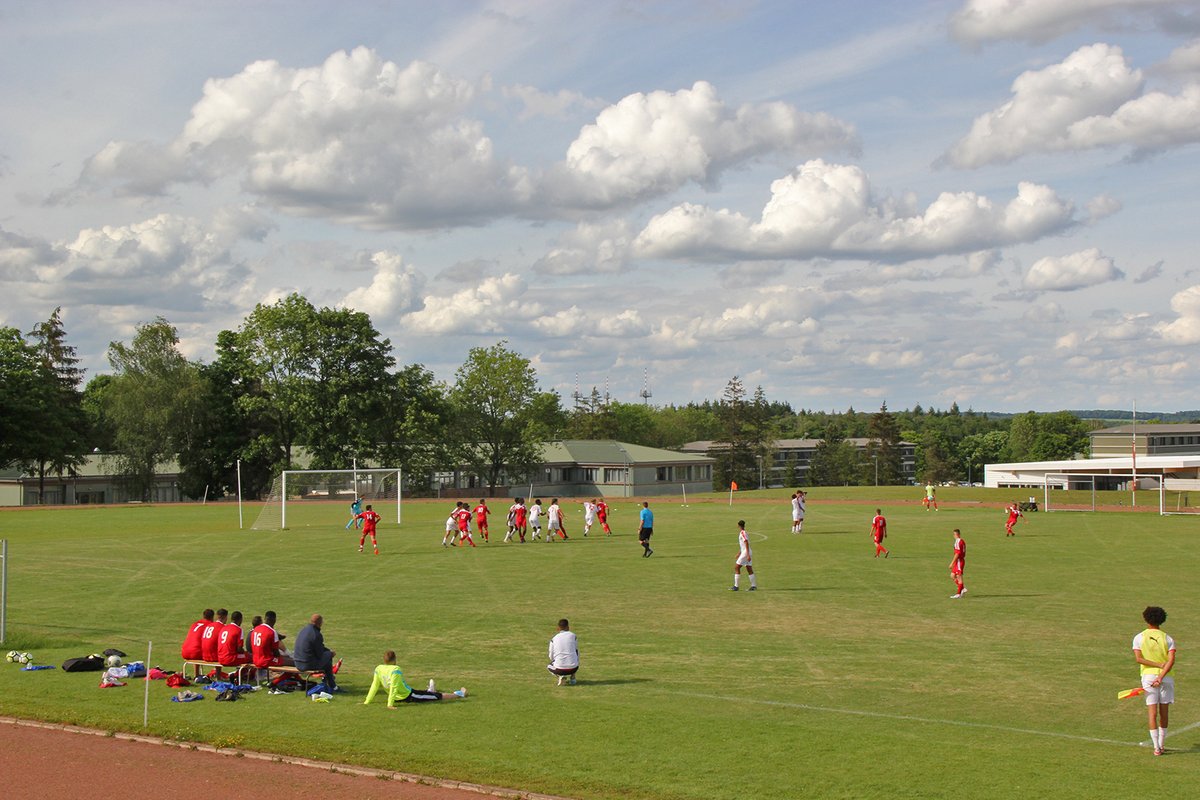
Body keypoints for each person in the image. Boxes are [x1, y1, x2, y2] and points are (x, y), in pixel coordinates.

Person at [1132, 606, 1177, 756]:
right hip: (1166, 678)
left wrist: (1156, 671)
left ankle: (1156, 748)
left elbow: (1139, 659)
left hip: (1148, 678)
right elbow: (1170, 662)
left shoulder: (1139, 637)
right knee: (1164, 713)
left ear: (1146, 619)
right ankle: (1162, 745)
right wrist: (1161, 676)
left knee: (1152, 713)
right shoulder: (1168, 638)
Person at [364, 650, 466, 706]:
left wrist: (367, 701)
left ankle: (430, 690)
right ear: (395, 659)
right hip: (408, 695)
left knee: (424, 694)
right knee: (437, 696)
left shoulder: (378, 668)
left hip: (398, 698)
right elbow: (394, 687)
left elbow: (374, 685)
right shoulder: (396, 669)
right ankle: (459, 694)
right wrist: (389, 704)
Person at [293, 613, 340, 692]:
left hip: (297, 663)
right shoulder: (316, 634)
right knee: (328, 657)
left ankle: (329, 682)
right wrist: (331, 653)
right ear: (320, 623)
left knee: (327, 658)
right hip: (307, 664)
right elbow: (319, 654)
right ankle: (332, 685)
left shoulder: (303, 630)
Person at [547, 618, 580, 685]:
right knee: (575, 655)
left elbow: (551, 655)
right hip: (574, 668)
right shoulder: (573, 636)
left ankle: (561, 676)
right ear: (568, 627)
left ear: (558, 628)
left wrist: (556, 661)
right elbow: (576, 650)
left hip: (560, 669)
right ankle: (573, 677)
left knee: (549, 666)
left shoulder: (553, 639)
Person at [731, 520, 757, 591]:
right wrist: (739, 553)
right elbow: (743, 545)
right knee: (749, 568)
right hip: (746, 552)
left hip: (746, 553)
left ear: (738, 525)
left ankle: (736, 586)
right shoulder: (744, 532)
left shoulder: (742, 533)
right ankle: (753, 586)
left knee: (736, 567)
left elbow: (746, 542)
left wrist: (747, 554)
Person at [949, 529, 967, 598]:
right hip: (958, 561)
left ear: (955, 534)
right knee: (952, 575)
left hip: (959, 561)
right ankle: (962, 588)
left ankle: (958, 594)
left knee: (959, 577)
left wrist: (952, 563)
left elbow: (957, 554)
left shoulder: (958, 542)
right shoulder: (962, 541)